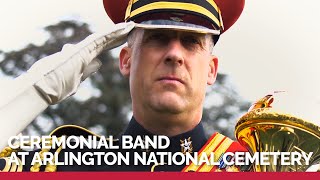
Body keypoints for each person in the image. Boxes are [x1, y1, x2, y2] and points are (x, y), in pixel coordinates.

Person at [0, 0, 249, 172]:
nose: (175, 54)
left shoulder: (251, 168)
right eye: (158, 38)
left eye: (191, 42)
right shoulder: (60, 165)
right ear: (126, 60)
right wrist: (36, 91)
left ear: (211, 69)